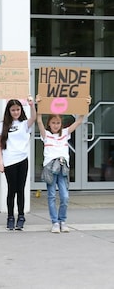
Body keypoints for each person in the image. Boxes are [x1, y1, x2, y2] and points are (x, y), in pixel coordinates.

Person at [35, 94, 90, 233]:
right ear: (49, 124)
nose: (55, 125)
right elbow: (39, 120)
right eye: (53, 123)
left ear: (61, 124)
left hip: (63, 168)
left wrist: (85, 105)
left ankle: (62, 220)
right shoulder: (46, 135)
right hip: (50, 168)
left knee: (65, 196)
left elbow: (79, 121)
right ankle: (55, 222)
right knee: (52, 195)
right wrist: (39, 105)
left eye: (58, 123)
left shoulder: (65, 132)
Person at [0, 97, 36, 230]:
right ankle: (10, 217)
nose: (16, 112)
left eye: (18, 109)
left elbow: (34, 118)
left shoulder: (24, 124)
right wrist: (0, 162)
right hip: (9, 161)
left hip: (22, 160)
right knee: (11, 190)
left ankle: (21, 216)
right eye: (13, 110)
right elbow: (0, 145)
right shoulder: (2, 125)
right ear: (9, 111)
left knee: (21, 189)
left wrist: (32, 105)